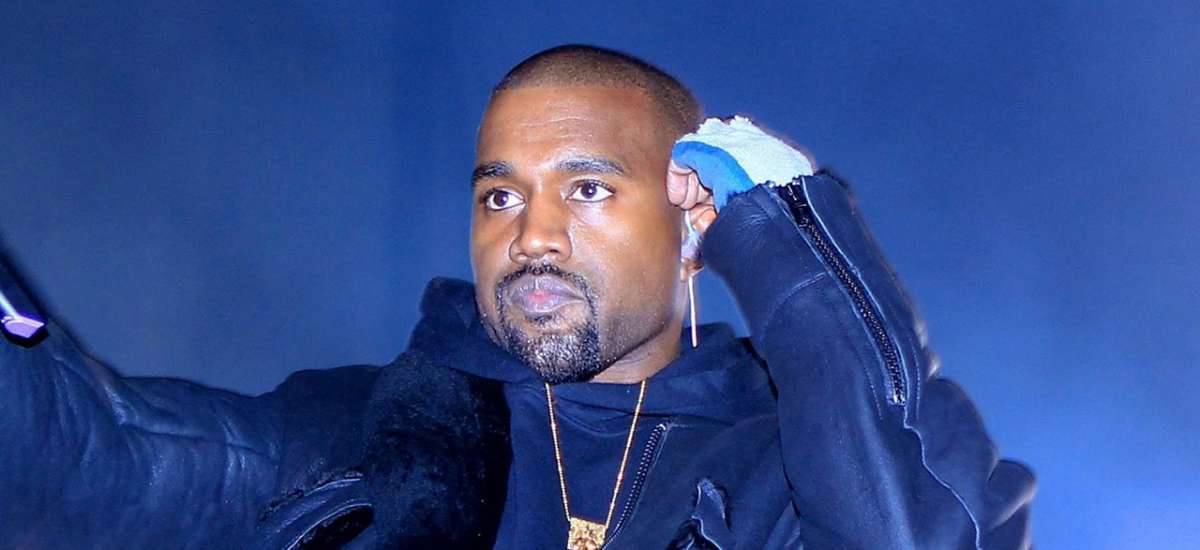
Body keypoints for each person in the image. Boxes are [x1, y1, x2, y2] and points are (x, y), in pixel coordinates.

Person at [0, 45, 1035, 549]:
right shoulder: (363, 431)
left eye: (586, 189)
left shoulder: (787, 468)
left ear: (693, 222)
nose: (530, 235)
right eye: (500, 195)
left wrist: (791, 241)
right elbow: (102, 456)